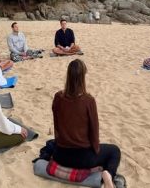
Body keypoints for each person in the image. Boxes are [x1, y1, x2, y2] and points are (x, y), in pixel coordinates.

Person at [52, 59, 123, 188]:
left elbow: (56, 124)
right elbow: (94, 134)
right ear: (83, 77)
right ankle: (108, 174)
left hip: (60, 155)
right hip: (83, 158)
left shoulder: (58, 97)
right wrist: (96, 151)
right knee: (114, 151)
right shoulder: (88, 101)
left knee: (51, 143)